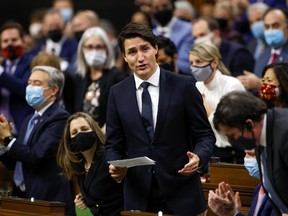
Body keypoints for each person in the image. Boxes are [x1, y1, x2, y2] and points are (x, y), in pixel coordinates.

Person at [105, 22, 216, 215]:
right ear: (124, 57)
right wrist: (115, 165)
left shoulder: (184, 85)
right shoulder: (117, 93)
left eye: (145, 49)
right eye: (132, 52)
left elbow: (205, 134)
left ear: (155, 48)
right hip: (138, 197)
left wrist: (199, 157)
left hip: (181, 193)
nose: (140, 57)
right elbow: (113, 144)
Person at [0, 65, 75, 215]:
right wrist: (2, 144)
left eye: (37, 83)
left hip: (48, 199)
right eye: (29, 83)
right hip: (22, 195)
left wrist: (8, 138)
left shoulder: (60, 117)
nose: (30, 87)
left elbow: (35, 156)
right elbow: (16, 161)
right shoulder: (29, 119)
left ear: (53, 91)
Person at [213, 91, 288, 215]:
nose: (232, 142)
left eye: (233, 136)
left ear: (249, 124)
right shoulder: (260, 139)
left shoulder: (284, 132)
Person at [57, 112, 123, 216]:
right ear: (69, 141)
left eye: (84, 129)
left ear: (94, 131)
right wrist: (85, 199)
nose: (80, 134)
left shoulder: (109, 157)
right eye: (74, 132)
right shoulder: (79, 166)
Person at [189, 42, 246, 164]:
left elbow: (230, 126)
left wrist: (206, 107)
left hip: (233, 153)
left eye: (198, 62)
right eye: (191, 63)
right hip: (208, 151)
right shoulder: (197, 86)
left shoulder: (232, 85)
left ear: (214, 63)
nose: (194, 67)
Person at [70, 27, 127, 134]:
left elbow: (123, 112)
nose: (94, 51)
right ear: (82, 50)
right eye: (90, 47)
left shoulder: (118, 77)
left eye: (99, 47)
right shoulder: (78, 79)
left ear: (107, 49)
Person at [238, 8, 288, 92]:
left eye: (275, 25)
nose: (271, 30)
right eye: (267, 27)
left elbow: (285, 88)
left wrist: (259, 83)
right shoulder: (263, 55)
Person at [0, 21, 34, 135]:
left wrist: (1, 73)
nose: (10, 44)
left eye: (14, 40)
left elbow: (23, 89)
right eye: (5, 41)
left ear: (23, 41)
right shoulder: (3, 65)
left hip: (21, 127)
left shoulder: (32, 62)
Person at [151, 0, 194, 74]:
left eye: (164, 6)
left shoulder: (188, 29)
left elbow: (186, 63)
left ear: (173, 7)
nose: (161, 9)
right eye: (156, 8)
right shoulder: (151, 34)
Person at [30, 8, 78, 74]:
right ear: (44, 27)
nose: (54, 29)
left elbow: (76, 71)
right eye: (51, 26)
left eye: (57, 25)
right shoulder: (38, 48)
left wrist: (60, 63)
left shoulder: (74, 46)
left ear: (64, 24)